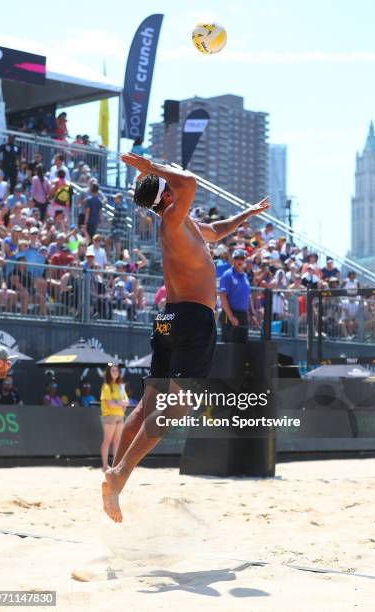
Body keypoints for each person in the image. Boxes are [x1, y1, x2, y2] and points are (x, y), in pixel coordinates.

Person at [101, 151, 270, 522]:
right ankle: (118, 475)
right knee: (176, 407)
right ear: (167, 195)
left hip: (168, 321)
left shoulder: (183, 224)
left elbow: (217, 230)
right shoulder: (173, 220)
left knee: (148, 406)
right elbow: (188, 181)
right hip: (192, 320)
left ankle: (115, 480)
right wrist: (148, 168)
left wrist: (247, 214)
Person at [219, 249, 253, 343]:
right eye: (237, 258)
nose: (240, 260)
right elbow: (222, 296)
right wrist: (231, 316)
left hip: (243, 315)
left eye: (242, 258)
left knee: (242, 346)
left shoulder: (245, 276)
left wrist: (252, 314)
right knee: (229, 348)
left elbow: (248, 296)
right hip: (230, 315)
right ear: (233, 260)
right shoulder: (227, 275)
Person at [100, 364, 128, 472]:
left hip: (120, 415)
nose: (115, 372)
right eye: (113, 370)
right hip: (109, 416)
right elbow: (110, 404)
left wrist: (117, 403)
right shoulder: (106, 386)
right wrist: (120, 403)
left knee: (117, 441)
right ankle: (104, 466)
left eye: (117, 370)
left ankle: (115, 465)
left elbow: (127, 401)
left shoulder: (121, 386)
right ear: (108, 372)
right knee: (107, 440)